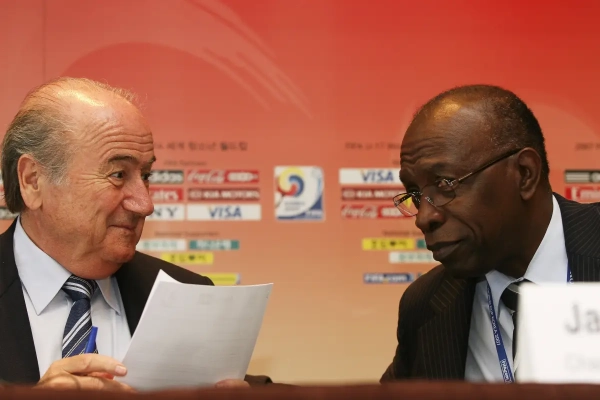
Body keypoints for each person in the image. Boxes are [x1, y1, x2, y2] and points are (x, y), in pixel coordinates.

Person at [0, 77, 272, 390]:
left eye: (145, 176)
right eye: (118, 174)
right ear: (33, 180)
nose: (145, 204)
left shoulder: (189, 293)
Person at [381, 84, 600, 382]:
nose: (424, 217)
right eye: (415, 194)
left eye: (445, 183)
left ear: (524, 173)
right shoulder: (425, 306)